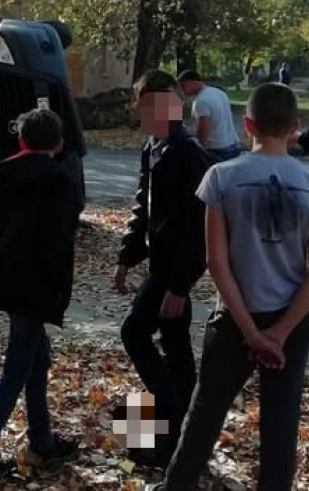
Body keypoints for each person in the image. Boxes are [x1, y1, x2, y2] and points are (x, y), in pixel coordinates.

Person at [145, 83, 309, 491]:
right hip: (291, 325)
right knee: (280, 426)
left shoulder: (222, 176)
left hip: (234, 321)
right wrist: (277, 334)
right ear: (295, 127)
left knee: (204, 417)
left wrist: (249, 331)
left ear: (247, 125)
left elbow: (216, 263)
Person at [0, 108, 81, 489]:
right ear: (59, 143)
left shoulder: (1, 175)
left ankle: (42, 441)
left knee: (36, 360)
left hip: (10, 283)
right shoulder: (59, 181)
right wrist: (55, 289)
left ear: (21, 140)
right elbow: (58, 244)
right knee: (16, 370)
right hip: (36, 288)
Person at [113, 70, 211, 468]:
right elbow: (144, 206)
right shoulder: (152, 148)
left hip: (173, 271)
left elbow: (198, 226)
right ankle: (177, 438)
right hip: (158, 262)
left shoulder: (188, 153)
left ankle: (175, 420)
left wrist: (180, 286)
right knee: (175, 345)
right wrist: (126, 256)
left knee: (134, 332)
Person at [178, 70, 241, 162]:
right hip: (233, 146)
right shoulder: (219, 93)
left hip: (217, 151)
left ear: (193, 82)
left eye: (183, 86)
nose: (182, 90)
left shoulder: (200, 101)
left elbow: (202, 137)